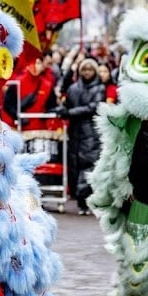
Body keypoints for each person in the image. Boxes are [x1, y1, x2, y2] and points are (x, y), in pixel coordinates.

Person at [56, 58, 105, 214]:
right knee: (75, 166)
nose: (87, 73)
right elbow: (66, 102)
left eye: (90, 70)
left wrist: (69, 112)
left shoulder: (100, 88)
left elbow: (93, 107)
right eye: (84, 70)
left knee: (89, 166)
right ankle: (81, 201)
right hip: (75, 132)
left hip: (91, 133)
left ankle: (87, 200)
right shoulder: (73, 88)